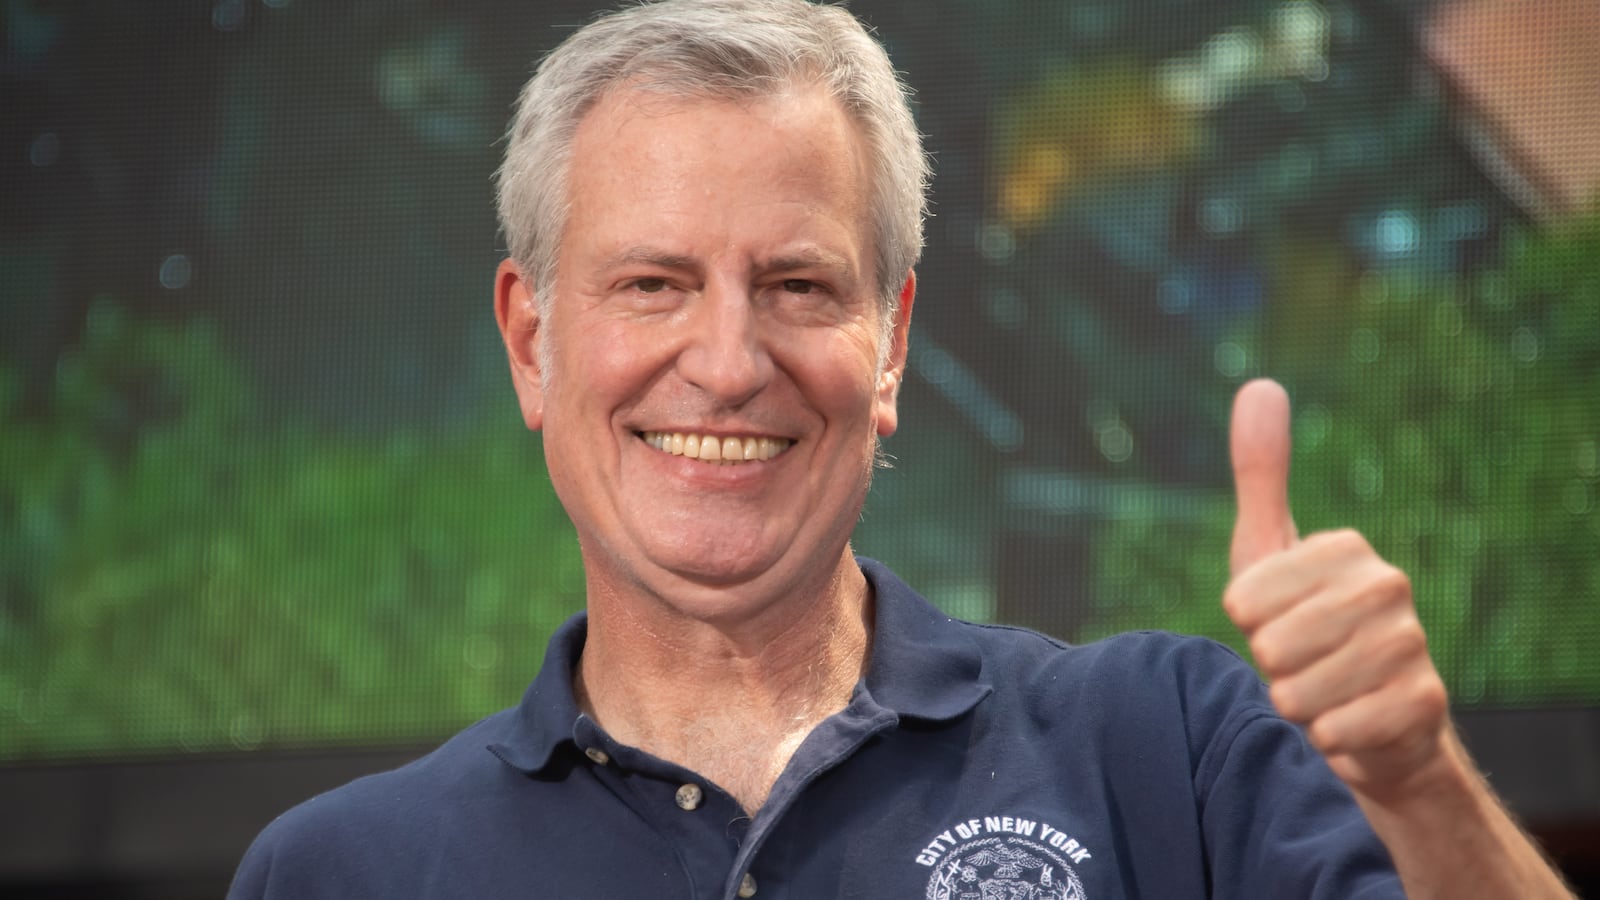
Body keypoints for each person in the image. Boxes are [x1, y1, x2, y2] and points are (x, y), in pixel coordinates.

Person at [228, 1, 1576, 897]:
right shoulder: (341, 874)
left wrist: (1421, 788)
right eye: (652, 284)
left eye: (800, 286)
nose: (728, 359)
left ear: (892, 343)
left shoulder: (1164, 749)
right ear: (532, 342)